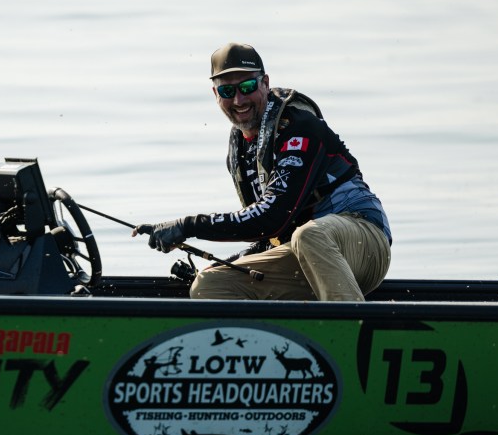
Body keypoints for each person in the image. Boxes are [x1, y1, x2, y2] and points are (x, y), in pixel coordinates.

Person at [133, 42, 392, 301]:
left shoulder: (299, 127)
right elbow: (266, 232)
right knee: (209, 283)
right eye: (227, 91)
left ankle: (352, 324)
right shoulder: (240, 147)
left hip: (364, 242)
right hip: (303, 253)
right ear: (215, 94)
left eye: (247, 87)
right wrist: (234, 261)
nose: (239, 100)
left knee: (309, 235)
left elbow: (273, 217)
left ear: (265, 83)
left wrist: (188, 226)